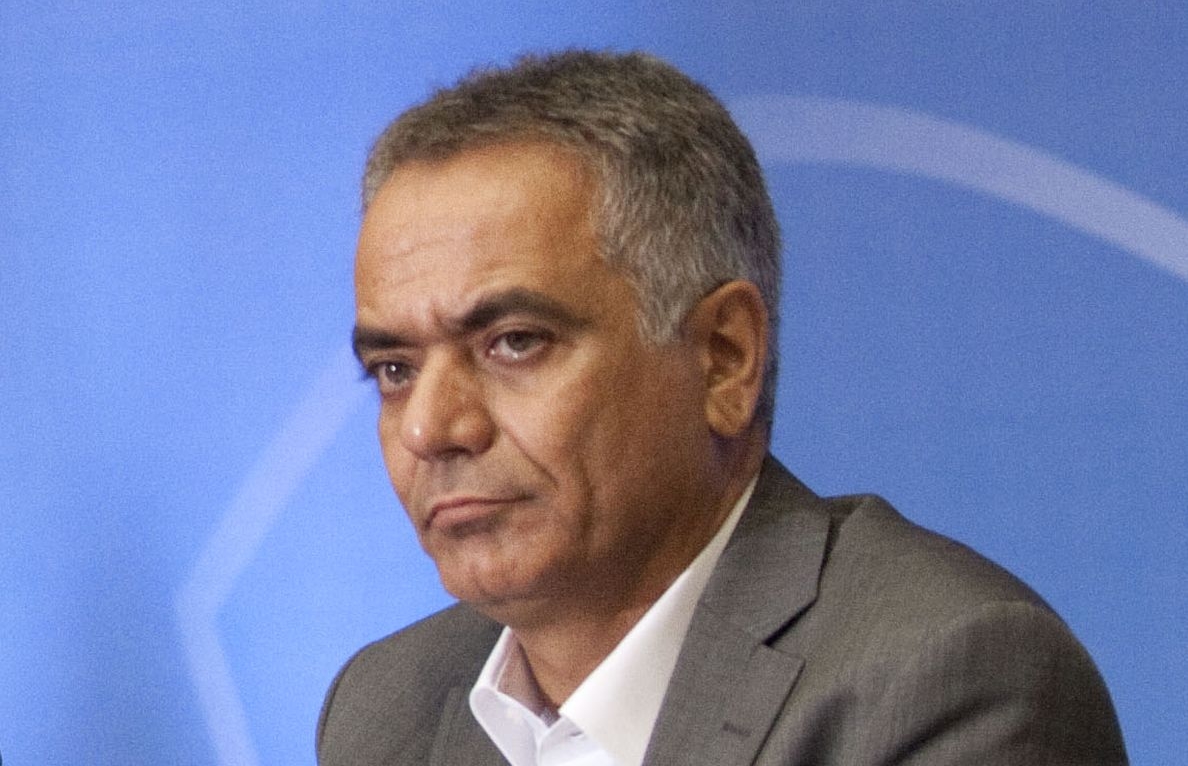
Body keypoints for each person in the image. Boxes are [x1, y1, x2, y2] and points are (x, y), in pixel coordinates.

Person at [317, 50, 1127, 766]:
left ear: (724, 358)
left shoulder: (946, 679)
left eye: (515, 343)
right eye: (394, 369)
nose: (430, 428)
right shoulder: (384, 710)